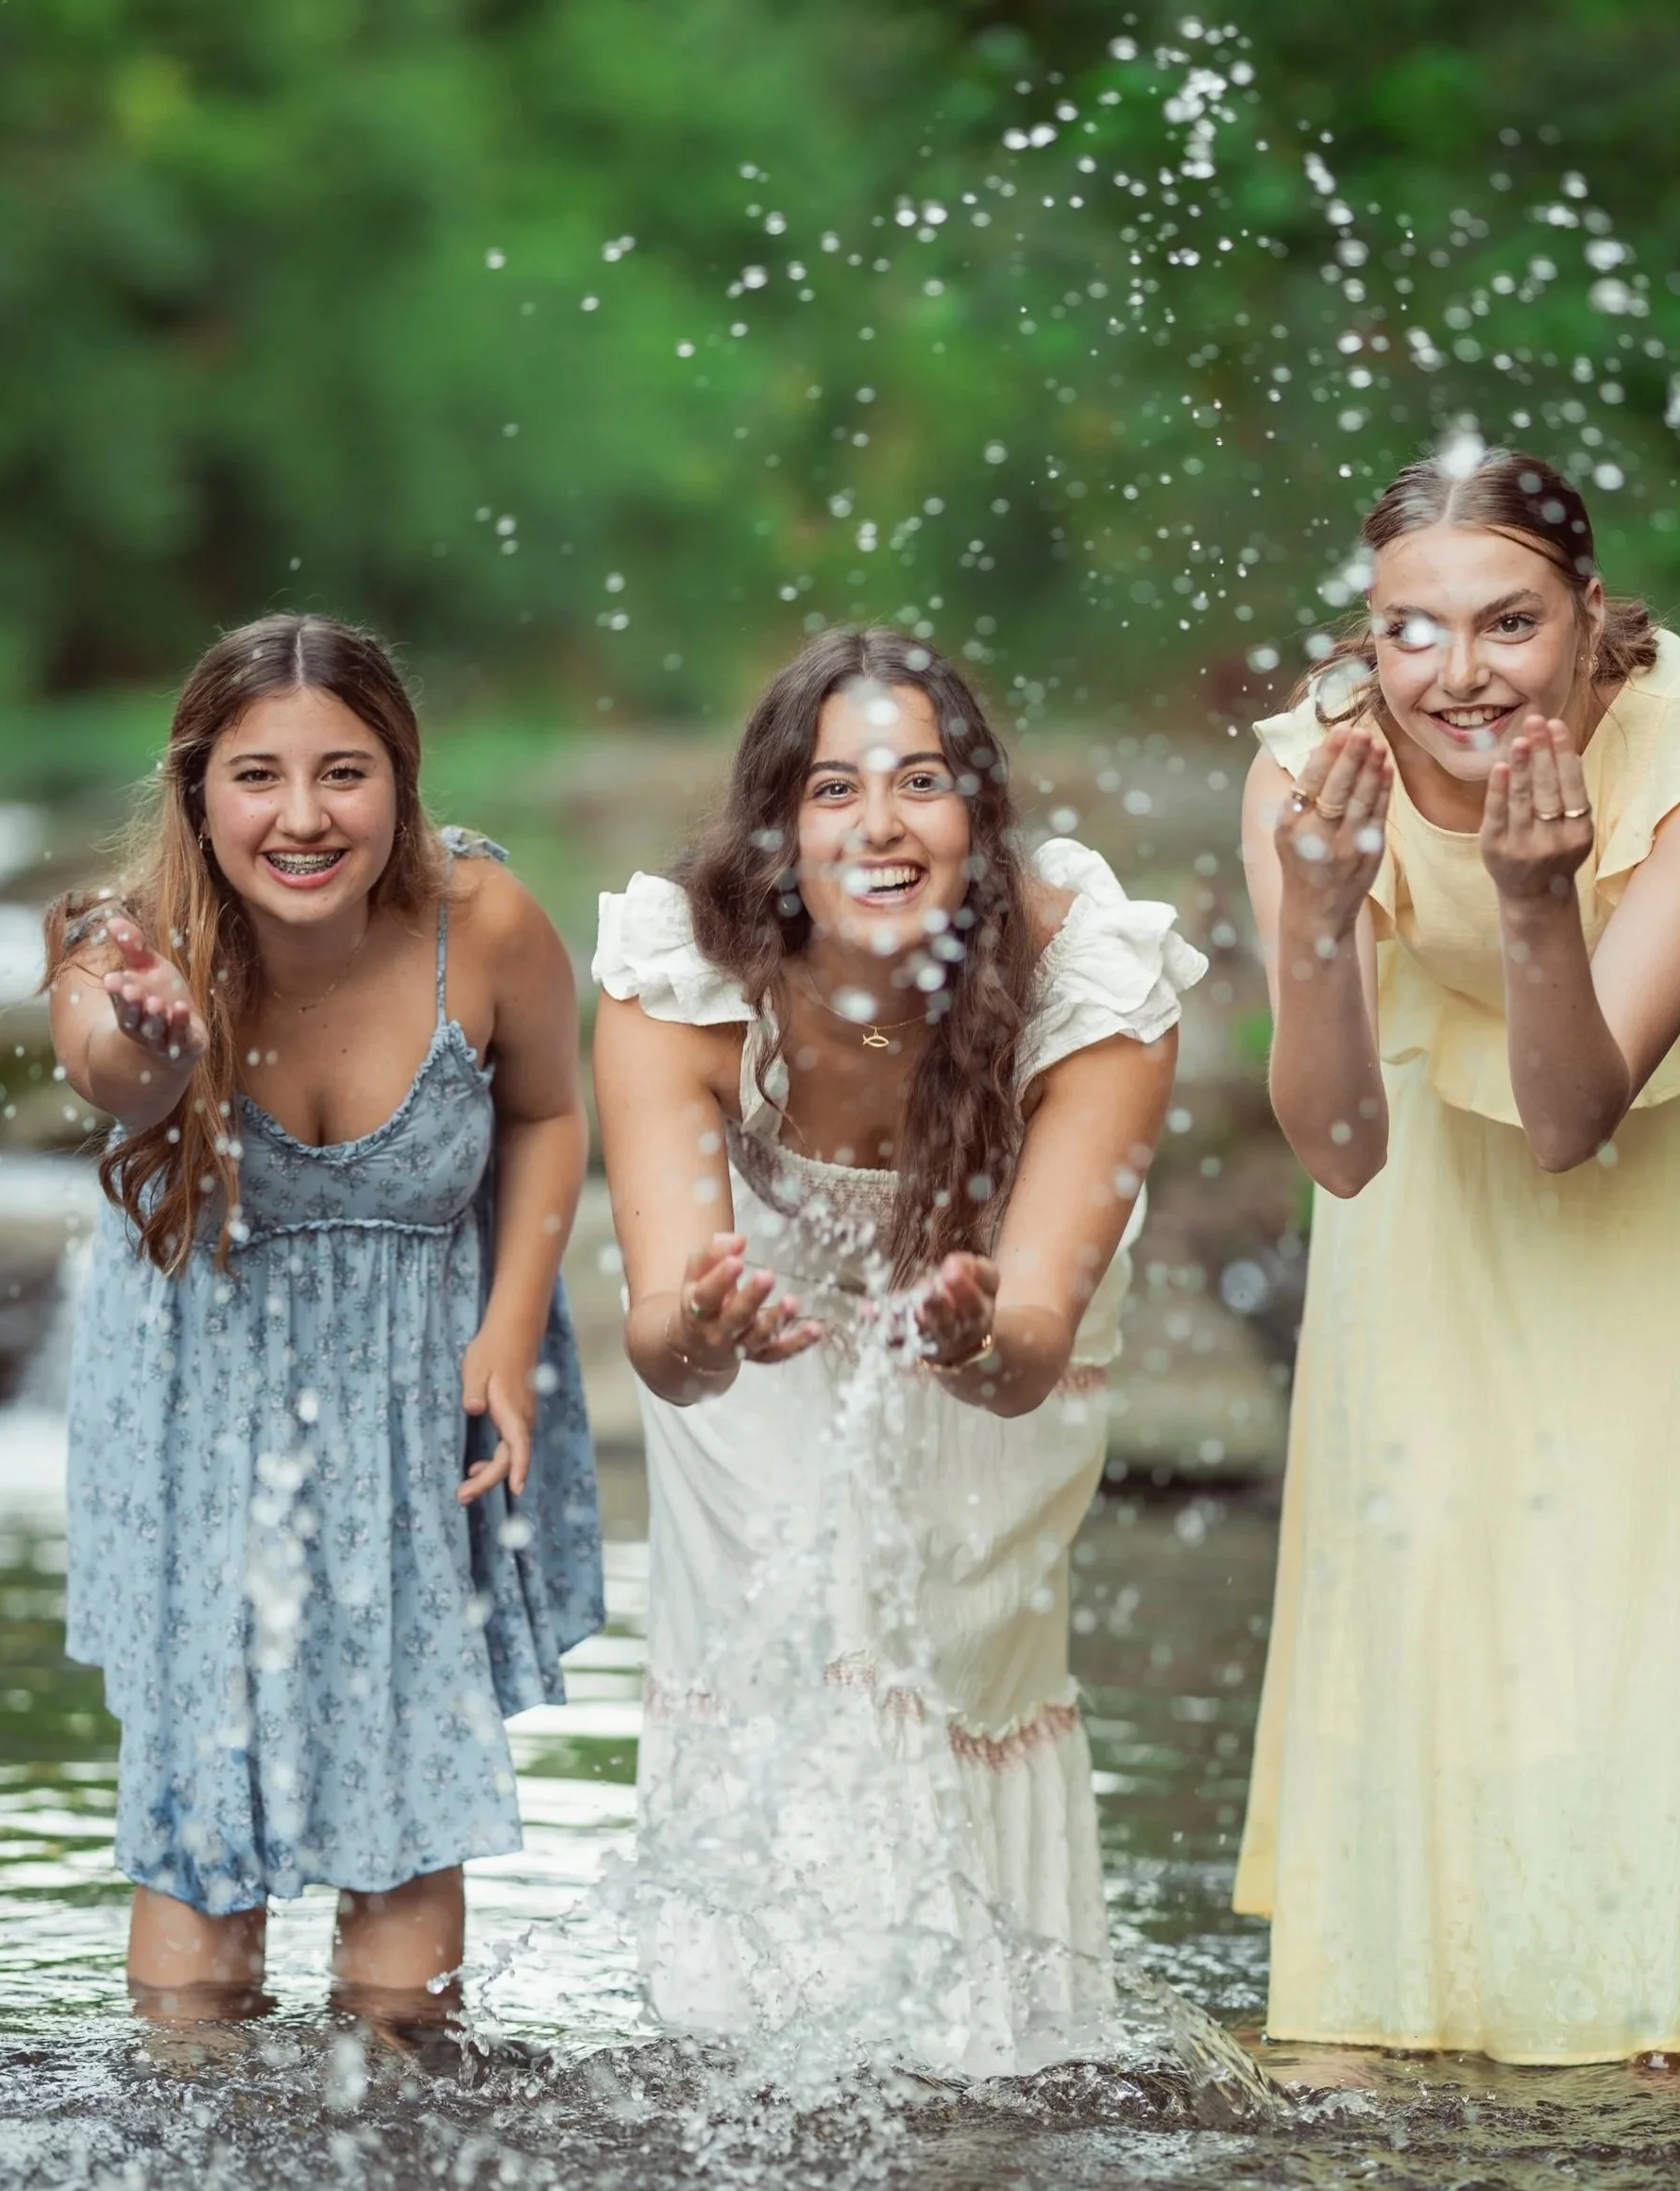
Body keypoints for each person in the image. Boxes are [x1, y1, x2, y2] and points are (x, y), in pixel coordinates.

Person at [1232, 449, 1680, 2065]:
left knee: (1649, 1601)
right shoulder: (1307, 777)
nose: (1459, 674)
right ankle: (1413, 2021)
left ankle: (1664, 2050)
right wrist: (1321, 919)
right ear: (1365, 636)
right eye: (1412, 632)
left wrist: (1534, 902)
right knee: (1434, 1583)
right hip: (1424, 1230)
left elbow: (1573, 1120)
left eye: (1509, 623)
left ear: (1591, 620)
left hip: (1660, 1213)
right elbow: (1335, 1146)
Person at [591, 628, 1204, 2074]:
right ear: (774, 831)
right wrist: (706, 1325)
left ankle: (988, 2066)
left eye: (921, 782)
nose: (879, 825)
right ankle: (757, 2059)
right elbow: (665, 1346)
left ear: (979, 819)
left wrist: (978, 1329)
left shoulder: (1088, 982)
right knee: (819, 1634)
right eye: (831, 791)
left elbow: (1033, 1342)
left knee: (958, 1665)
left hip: (995, 1323)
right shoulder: (682, 975)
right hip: (760, 1334)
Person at [46, 614, 602, 2020]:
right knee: (199, 1835)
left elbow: (546, 1112)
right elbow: (113, 1080)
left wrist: (514, 1327)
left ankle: (403, 2128)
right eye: (258, 777)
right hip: (200, 1427)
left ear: (402, 779)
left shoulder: (486, 926)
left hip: (418, 1407)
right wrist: (161, 1047)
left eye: (344, 772)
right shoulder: (126, 945)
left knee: (410, 1810)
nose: (304, 817)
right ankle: (184, 2122)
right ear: (196, 790)